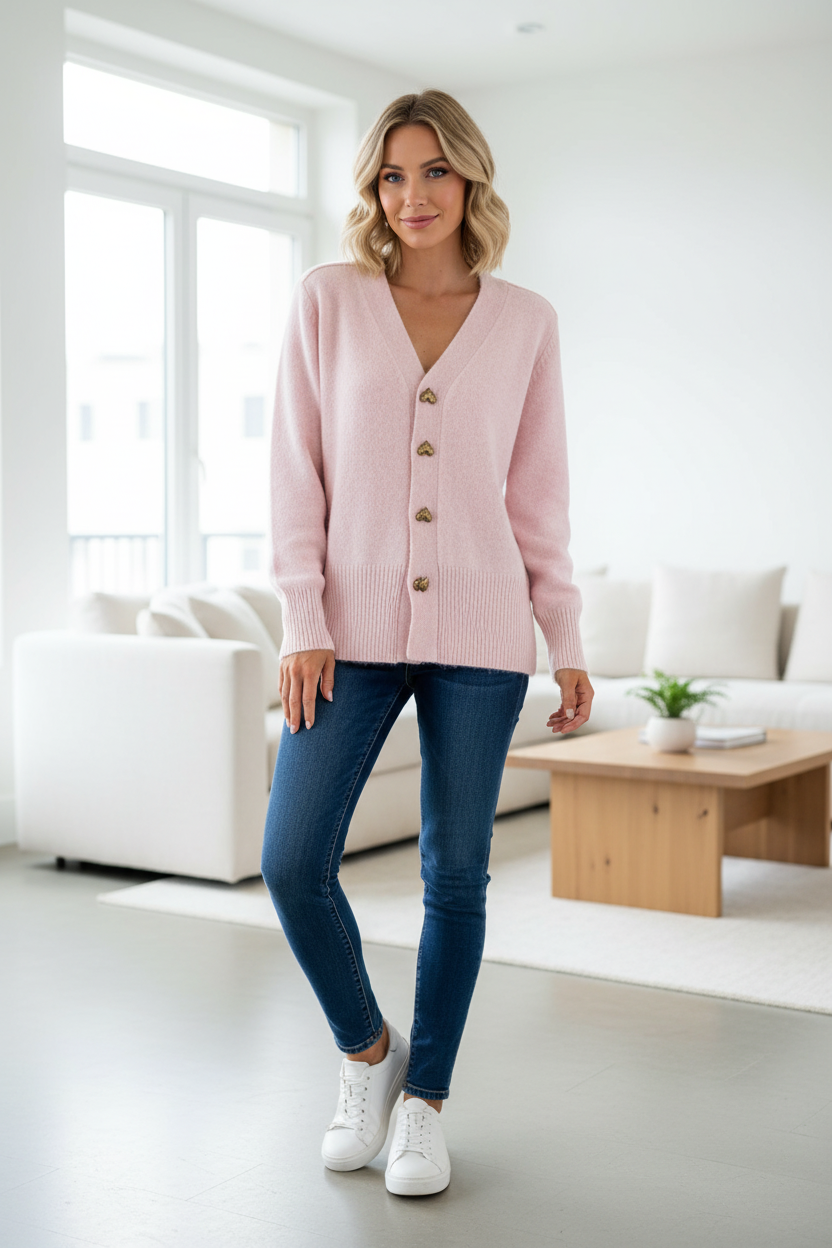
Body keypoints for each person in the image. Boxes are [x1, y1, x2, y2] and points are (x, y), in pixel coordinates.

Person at [261, 88, 594, 1198]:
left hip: (482, 634)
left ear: (471, 182)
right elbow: (292, 477)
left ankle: (425, 1102)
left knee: (457, 874)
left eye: (435, 172)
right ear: (372, 188)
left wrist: (566, 633)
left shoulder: (526, 322)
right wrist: (302, 620)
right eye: (392, 175)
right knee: (294, 859)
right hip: (344, 635)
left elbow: (536, 496)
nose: (411, 196)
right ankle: (367, 1055)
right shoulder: (328, 301)